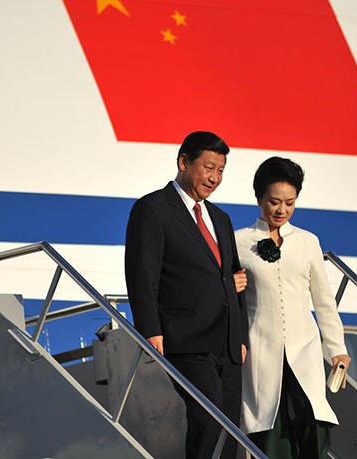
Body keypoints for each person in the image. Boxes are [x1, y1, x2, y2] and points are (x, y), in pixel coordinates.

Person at [124, 131, 248, 459]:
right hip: (185, 340)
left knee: (230, 432)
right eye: (208, 167)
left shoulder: (220, 219)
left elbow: (236, 279)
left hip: (227, 343)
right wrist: (150, 328)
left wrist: (242, 336)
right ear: (183, 162)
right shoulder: (152, 209)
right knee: (209, 421)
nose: (215, 177)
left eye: (221, 170)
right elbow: (142, 275)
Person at [236, 157, 351, 458]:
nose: (281, 210)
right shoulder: (238, 242)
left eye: (290, 202)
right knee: (270, 429)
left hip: (304, 346)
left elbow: (324, 300)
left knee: (314, 418)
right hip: (261, 349)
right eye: (274, 201)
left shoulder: (307, 242)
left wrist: (336, 347)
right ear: (259, 198)